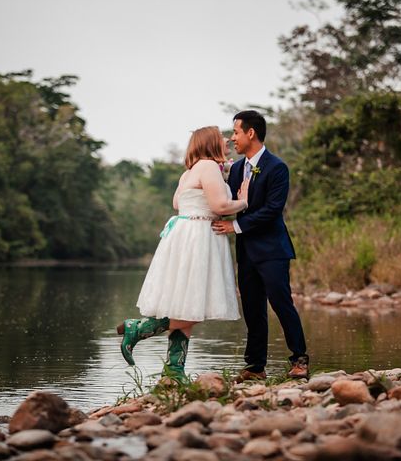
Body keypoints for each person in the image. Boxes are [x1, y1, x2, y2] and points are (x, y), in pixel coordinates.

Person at [117, 126, 249, 382]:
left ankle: (174, 371)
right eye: (221, 136)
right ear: (211, 142)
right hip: (199, 236)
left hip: (182, 234)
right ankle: (139, 328)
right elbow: (220, 206)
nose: (226, 139)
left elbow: (178, 204)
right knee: (192, 307)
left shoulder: (188, 172)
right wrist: (244, 201)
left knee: (187, 302)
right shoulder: (209, 167)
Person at [212, 110, 310, 381]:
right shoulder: (236, 170)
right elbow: (229, 202)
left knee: (281, 303)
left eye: (236, 132)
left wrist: (236, 226)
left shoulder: (277, 167)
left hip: (272, 250)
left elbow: (272, 210)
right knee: (253, 309)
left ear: (250, 133)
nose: (233, 139)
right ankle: (255, 367)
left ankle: (300, 359)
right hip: (245, 251)